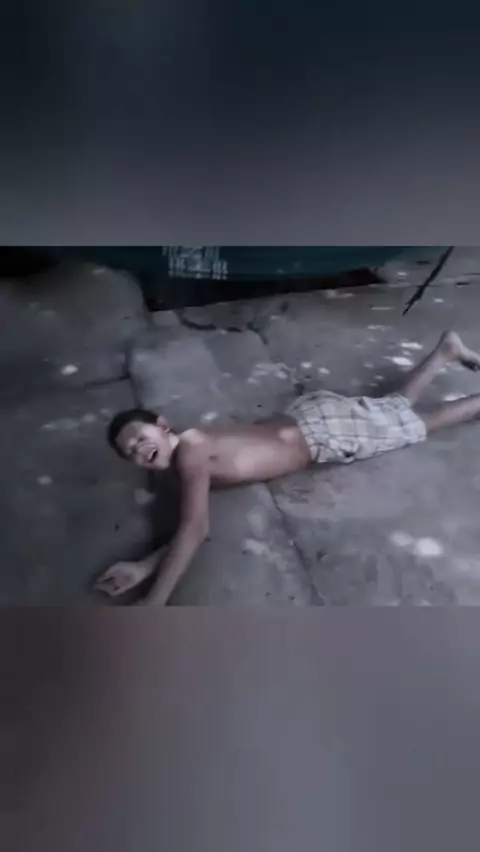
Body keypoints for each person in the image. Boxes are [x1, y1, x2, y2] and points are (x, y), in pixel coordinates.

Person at [96, 330, 480, 605]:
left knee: (417, 426)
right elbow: (189, 527)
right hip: (309, 417)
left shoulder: (190, 453)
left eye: (139, 437)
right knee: (388, 413)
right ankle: (445, 352)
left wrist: (154, 602)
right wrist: (145, 566)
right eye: (130, 451)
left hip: (322, 433)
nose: (138, 448)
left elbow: (194, 529)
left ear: (163, 426)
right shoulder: (191, 455)